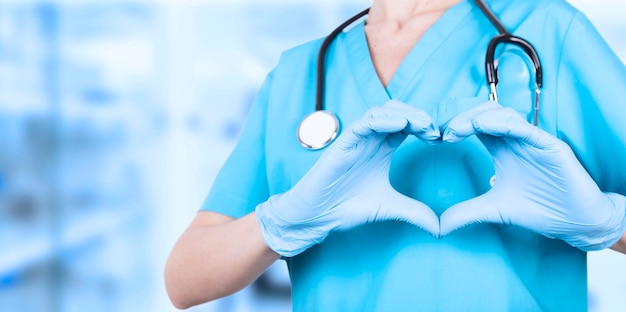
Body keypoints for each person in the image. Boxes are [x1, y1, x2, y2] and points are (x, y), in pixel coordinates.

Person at [165, 0, 626, 310]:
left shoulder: (549, 30)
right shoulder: (302, 71)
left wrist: (609, 221)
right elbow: (184, 280)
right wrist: (279, 223)